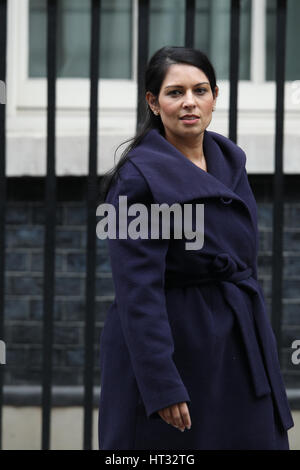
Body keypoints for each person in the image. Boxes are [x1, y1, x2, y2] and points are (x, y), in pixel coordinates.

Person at [97, 46, 294, 450]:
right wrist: (161, 383)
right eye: (175, 92)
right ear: (153, 102)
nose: (189, 102)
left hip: (238, 344)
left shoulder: (229, 161)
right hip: (177, 350)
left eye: (200, 90)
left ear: (215, 96)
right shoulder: (137, 180)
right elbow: (137, 293)